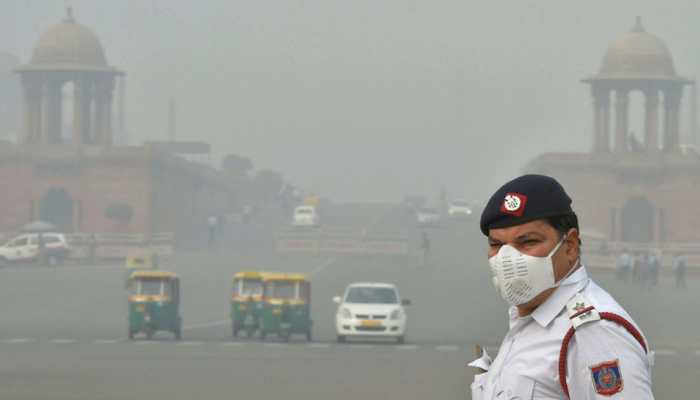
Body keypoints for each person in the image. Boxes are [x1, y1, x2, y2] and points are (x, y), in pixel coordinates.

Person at [470, 174, 653, 399]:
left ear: (570, 246)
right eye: (497, 244)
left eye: (528, 242)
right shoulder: (530, 318)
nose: (507, 258)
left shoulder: (593, 334)